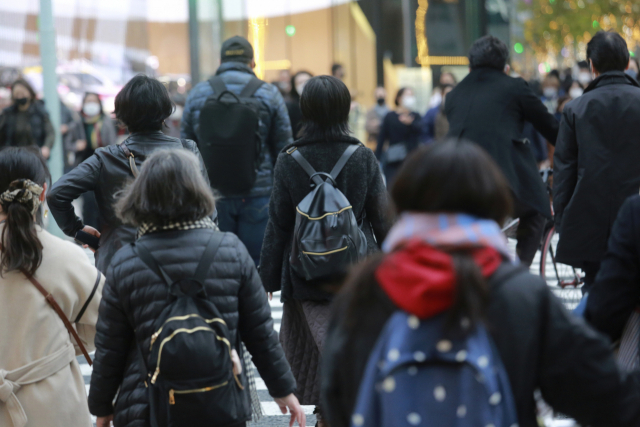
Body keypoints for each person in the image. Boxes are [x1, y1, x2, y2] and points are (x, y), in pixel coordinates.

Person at [321, 139, 640, 427]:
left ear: (403, 202)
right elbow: (605, 397)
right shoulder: (523, 296)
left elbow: (336, 400)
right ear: (495, 207)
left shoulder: (362, 291)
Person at [87, 149, 304, 427]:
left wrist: (102, 408)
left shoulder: (126, 262)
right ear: (198, 190)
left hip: (146, 405)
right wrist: (283, 390)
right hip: (218, 400)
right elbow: (260, 333)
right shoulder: (230, 250)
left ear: (141, 196)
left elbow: (110, 348)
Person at [260, 75, 391, 426]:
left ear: (306, 109)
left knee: (314, 354)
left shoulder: (290, 158)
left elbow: (279, 222)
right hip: (356, 274)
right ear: (345, 108)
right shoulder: (362, 156)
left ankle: (327, 414)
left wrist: (268, 276)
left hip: (305, 274)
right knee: (350, 347)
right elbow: (382, 218)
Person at [47, 74, 210, 273]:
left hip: (119, 262)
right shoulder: (187, 150)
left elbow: (56, 194)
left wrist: (77, 231)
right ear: (165, 111)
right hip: (179, 261)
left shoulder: (105, 158)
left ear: (122, 116)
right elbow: (208, 210)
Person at [0, 147, 104, 427]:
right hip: (55, 405)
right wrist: (55, 341)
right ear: (43, 193)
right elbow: (104, 324)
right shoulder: (67, 257)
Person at [445, 35, 559, 267]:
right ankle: (518, 271)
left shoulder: (454, 95)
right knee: (537, 211)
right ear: (505, 67)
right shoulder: (515, 87)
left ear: (470, 65)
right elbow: (550, 127)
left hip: (455, 177)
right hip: (500, 177)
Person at [181, 36, 293, 266]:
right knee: (256, 263)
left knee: (215, 262)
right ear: (252, 62)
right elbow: (284, 148)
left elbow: (185, 149)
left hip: (211, 194)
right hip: (258, 192)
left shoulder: (198, 93)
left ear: (220, 61)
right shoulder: (269, 93)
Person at [554, 31, 640, 290]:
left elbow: (564, 171)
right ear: (627, 64)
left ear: (591, 66)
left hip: (590, 217)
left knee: (595, 289)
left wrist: (563, 220)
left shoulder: (574, 109)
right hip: (636, 213)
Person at [71, 93, 118, 230]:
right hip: (84, 164)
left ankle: (103, 232)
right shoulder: (78, 122)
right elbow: (68, 143)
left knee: (102, 201)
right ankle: (88, 231)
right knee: (88, 201)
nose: (91, 104)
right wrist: (76, 145)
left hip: (103, 165)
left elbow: (113, 144)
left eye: (94, 101)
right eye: (88, 101)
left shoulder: (106, 121)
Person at [376, 87, 422, 185]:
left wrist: (411, 123)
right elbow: (382, 138)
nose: (411, 98)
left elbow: (421, 131)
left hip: (412, 159)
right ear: (399, 98)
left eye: (412, 95)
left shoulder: (415, 116)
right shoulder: (390, 116)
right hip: (394, 160)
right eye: (408, 95)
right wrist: (377, 157)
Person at [0, 79, 54, 159]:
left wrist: (46, 147)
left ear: (30, 93)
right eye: (17, 94)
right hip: (13, 157)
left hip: (36, 156)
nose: (20, 97)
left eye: (22, 94)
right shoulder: (7, 114)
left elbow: (50, 132)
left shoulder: (40, 111)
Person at [286, 70, 313, 138]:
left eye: (307, 81)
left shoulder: (322, 104)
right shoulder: (290, 107)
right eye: (300, 82)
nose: (303, 85)